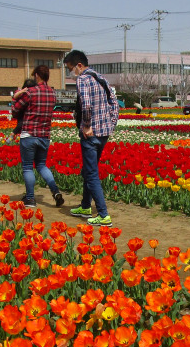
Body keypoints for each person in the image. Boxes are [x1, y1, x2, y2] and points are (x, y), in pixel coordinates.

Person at [65, 50, 119, 227]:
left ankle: (103, 215)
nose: (71, 73)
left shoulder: (83, 79)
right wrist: (111, 124)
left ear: (79, 65)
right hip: (104, 132)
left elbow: (86, 105)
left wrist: (87, 125)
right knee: (89, 170)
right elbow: (114, 102)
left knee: (91, 173)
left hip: (91, 133)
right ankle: (86, 206)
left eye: (70, 68)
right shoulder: (101, 77)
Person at [11, 66, 65, 210]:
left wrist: (15, 97)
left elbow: (15, 109)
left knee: (28, 167)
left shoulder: (31, 92)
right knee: (41, 165)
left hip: (29, 134)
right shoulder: (53, 93)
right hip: (44, 135)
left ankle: (30, 198)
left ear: (36, 75)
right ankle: (55, 191)